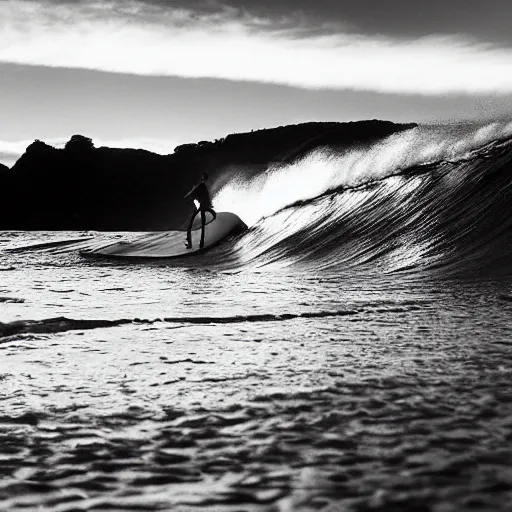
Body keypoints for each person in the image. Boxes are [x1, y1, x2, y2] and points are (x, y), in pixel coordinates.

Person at [184, 172, 216, 249]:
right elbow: (205, 196)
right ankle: (199, 243)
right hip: (203, 206)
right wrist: (210, 205)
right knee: (202, 223)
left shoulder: (201, 185)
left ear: (203, 177)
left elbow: (193, 192)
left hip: (202, 207)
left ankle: (192, 244)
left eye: (202, 176)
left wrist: (187, 195)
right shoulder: (203, 186)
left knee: (191, 224)